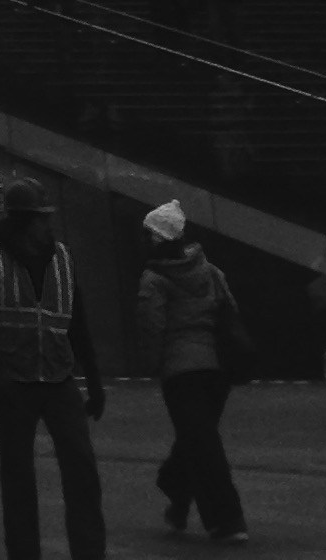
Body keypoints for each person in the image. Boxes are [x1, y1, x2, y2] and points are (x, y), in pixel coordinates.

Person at [0, 179, 106, 560]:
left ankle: (90, 553)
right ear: (25, 221)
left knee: (82, 470)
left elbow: (77, 323)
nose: (49, 224)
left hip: (59, 380)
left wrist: (94, 382)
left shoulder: (62, 257)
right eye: (42, 218)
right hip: (14, 383)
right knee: (18, 480)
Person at [134, 200, 248, 544]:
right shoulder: (211, 271)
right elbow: (231, 310)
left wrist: (152, 364)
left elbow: (152, 327)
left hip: (180, 371)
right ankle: (179, 497)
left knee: (201, 444)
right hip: (216, 370)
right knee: (199, 438)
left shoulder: (154, 280)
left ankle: (225, 520)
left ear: (157, 238)